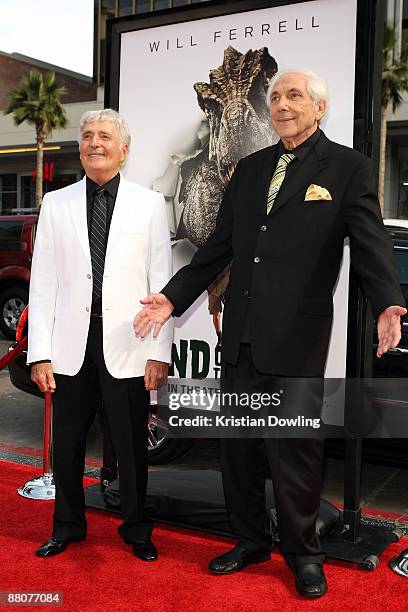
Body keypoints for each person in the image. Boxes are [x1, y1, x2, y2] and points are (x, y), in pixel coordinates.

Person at [133, 70, 407, 597]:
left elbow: (371, 244)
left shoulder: (348, 168)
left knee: (296, 451)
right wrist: (172, 297)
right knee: (237, 448)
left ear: (319, 108)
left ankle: (305, 555)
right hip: (240, 334)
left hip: (297, 339)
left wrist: (387, 302)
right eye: (276, 96)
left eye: (294, 96)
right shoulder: (252, 168)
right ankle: (249, 540)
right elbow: (218, 248)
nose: (282, 105)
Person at [28, 109, 173, 561]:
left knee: (131, 445)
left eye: (105, 136)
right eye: (87, 135)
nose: (95, 143)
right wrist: (40, 353)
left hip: (129, 344)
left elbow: (160, 283)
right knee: (67, 442)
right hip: (71, 345)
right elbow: (44, 282)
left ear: (124, 150)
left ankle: (137, 528)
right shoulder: (56, 203)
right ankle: (67, 525)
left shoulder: (149, 205)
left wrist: (158, 352)